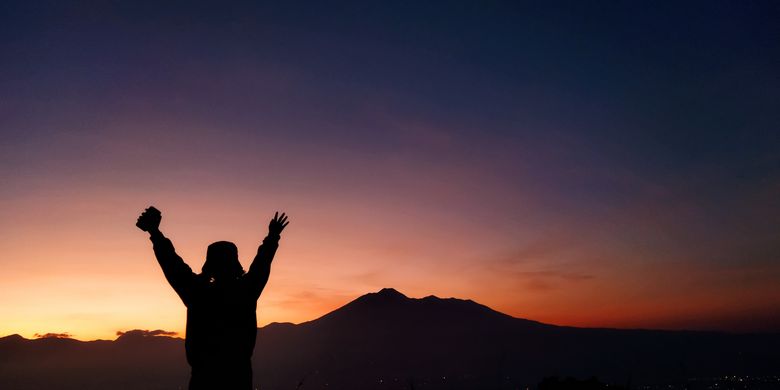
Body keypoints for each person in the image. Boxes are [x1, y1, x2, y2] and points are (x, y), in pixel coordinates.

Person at [135, 206, 289, 390]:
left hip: (203, 379)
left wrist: (155, 232)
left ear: (209, 265)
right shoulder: (245, 291)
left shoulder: (197, 292)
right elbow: (261, 264)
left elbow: (173, 265)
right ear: (235, 263)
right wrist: (272, 237)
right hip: (238, 378)